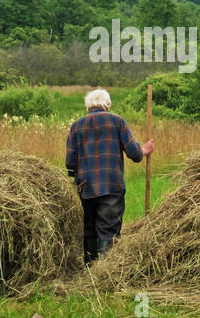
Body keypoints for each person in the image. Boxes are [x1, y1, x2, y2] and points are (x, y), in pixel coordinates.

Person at [65, 88, 154, 265]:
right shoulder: (117, 122)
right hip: (111, 186)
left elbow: (70, 162)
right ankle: (106, 271)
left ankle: (90, 269)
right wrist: (144, 150)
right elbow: (134, 154)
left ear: (88, 106)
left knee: (89, 228)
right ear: (108, 104)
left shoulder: (76, 126)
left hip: (86, 187)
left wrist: (77, 177)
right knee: (108, 229)